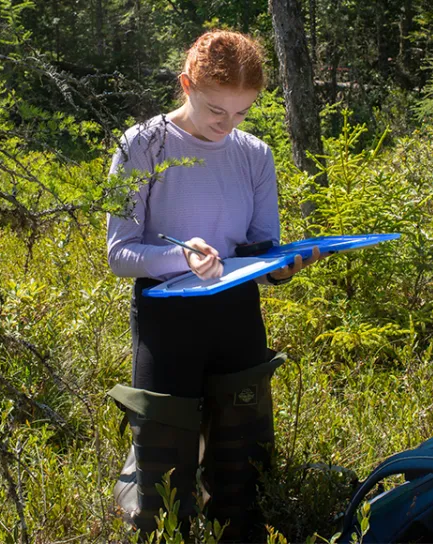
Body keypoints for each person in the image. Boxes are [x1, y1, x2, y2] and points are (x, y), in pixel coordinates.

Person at [105, 30, 325, 541]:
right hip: (166, 324)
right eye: (215, 111)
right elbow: (119, 255)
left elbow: (260, 247)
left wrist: (282, 266)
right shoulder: (140, 144)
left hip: (238, 320)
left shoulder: (254, 154)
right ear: (186, 85)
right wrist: (177, 257)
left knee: (242, 481)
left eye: (242, 113)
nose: (227, 126)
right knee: (162, 488)